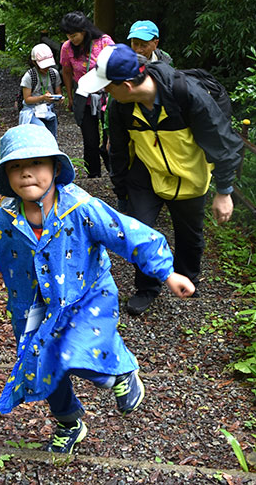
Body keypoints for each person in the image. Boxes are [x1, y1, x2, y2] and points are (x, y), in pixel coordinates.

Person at [0, 125, 195, 453]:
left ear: (56, 168)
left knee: (75, 352)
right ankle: (69, 421)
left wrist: (167, 272)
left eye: (35, 163)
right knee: (45, 367)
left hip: (86, 297)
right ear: (6, 175)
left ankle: (120, 371)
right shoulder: (2, 223)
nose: (26, 173)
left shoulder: (81, 208)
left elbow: (126, 232)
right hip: (33, 310)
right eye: (15, 166)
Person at [75, 44, 243, 316]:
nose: (106, 93)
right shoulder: (121, 107)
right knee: (140, 230)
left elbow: (224, 142)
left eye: (108, 87)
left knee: (190, 235)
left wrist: (224, 191)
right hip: (147, 174)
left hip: (190, 175)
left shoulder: (187, 96)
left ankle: (188, 278)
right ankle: (147, 288)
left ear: (127, 86)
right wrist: (122, 192)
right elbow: (117, 150)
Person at [59, 11, 114, 177]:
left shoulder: (104, 42)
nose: (72, 38)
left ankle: (113, 170)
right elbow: (66, 72)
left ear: (84, 30)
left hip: (106, 94)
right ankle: (93, 174)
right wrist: (70, 96)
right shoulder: (67, 48)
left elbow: (116, 64)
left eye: (74, 35)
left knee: (109, 136)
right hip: (84, 96)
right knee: (90, 139)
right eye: (69, 35)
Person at [18, 43, 62, 138]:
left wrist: (58, 98)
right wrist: (43, 97)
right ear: (34, 62)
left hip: (48, 110)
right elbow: (27, 99)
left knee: (51, 137)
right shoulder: (29, 76)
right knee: (42, 132)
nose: (46, 68)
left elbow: (58, 92)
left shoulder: (54, 74)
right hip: (31, 111)